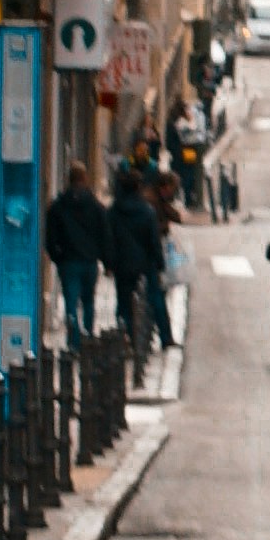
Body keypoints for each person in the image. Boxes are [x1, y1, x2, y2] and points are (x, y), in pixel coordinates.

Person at [105, 159, 167, 386]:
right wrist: (158, 263)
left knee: (123, 302)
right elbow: (153, 240)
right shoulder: (146, 211)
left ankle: (125, 335)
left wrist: (109, 263)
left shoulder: (114, 210)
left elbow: (109, 238)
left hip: (122, 264)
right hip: (141, 264)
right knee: (141, 303)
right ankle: (136, 340)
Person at [46, 164, 114, 349]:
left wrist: (57, 257)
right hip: (89, 261)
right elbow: (105, 235)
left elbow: (50, 237)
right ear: (85, 179)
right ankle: (88, 335)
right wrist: (107, 262)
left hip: (68, 261)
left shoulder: (58, 206)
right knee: (88, 300)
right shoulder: (96, 206)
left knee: (71, 302)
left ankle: (74, 341)